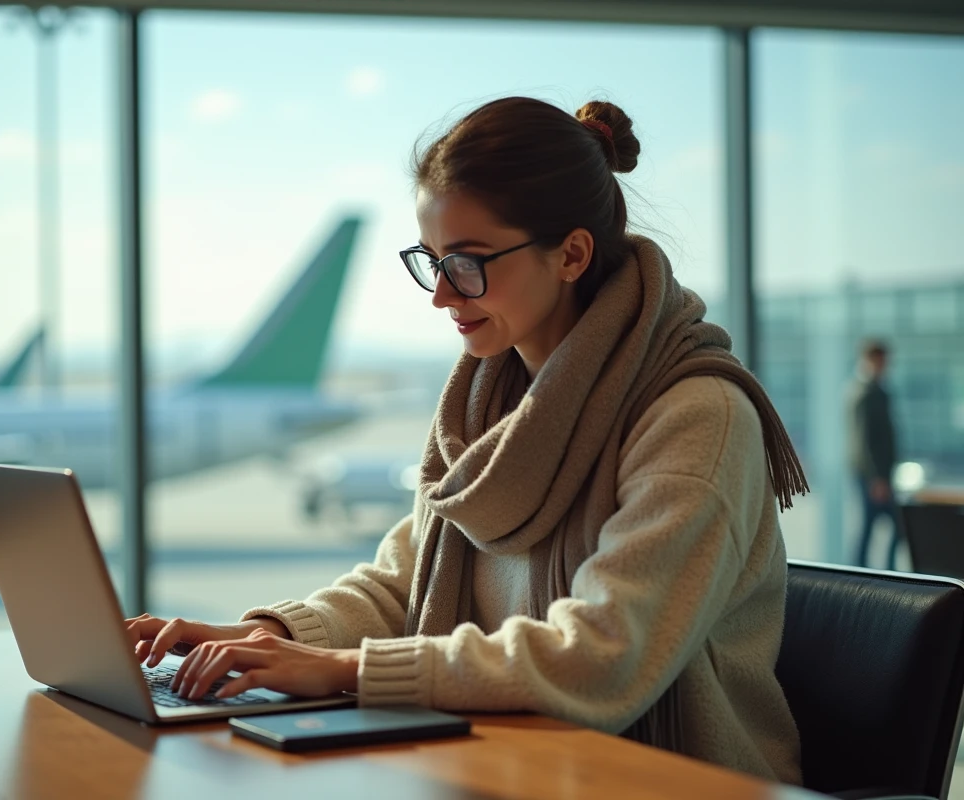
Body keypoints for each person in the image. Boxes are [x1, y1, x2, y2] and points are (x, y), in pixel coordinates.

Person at [125, 97, 808, 783]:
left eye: (469, 263)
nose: (442, 296)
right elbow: (405, 585)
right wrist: (271, 637)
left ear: (571, 254)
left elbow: (602, 655)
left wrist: (340, 671)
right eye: (432, 261)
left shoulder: (696, 417)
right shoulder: (487, 399)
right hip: (507, 764)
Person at [849, 339, 900, 570]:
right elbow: (863, 441)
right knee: (877, 525)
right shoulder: (864, 393)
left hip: (882, 473)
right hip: (872, 475)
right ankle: (861, 572)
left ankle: (879, 571)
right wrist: (876, 477)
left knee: (883, 526)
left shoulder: (879, 391)